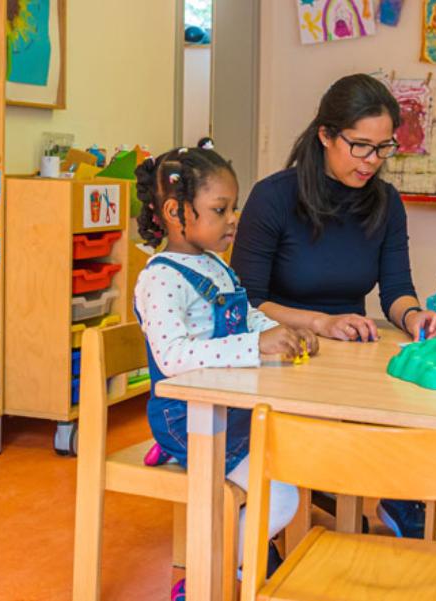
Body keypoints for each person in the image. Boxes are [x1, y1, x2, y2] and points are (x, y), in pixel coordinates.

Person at [232, 73, 436, 537]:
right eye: (360, 146)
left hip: (347, 353)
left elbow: (395, 291)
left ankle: (394, 496)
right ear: (326, 135)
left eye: (384, 148)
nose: (372, 162)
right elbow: (246, 302)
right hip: (278, 353)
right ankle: (286, 517)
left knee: (415, 387)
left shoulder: (385, 203)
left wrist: (414, 316)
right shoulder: (273, 198)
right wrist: (320, 322)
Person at [132, 146, 315, 598]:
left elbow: (246, 316)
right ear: (176, 212)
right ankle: (209, 573)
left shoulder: (214, 264)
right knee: (283, 495)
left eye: (232, 207)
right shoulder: (158, 278)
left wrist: (281, 329)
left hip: (227, 407)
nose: (233, 219)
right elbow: (173, 358)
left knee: (294, 457)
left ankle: (242, 553)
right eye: (220, 209)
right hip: (187, 414)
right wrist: (255, 345)